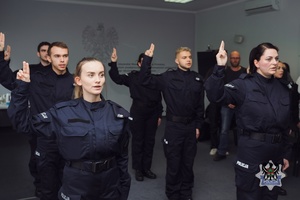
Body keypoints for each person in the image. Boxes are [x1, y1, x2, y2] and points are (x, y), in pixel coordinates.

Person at [8, 57, 131, 200]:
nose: (98, 80)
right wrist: (22, 88)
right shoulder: (63, 113)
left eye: (101, 74)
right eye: (91, 75)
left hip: (110, 183)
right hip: (77, 184)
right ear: (78, 80)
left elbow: (122, 156)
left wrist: (124, 187)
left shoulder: (117, 114)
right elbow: (22, 124)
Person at [205, 41, 292, 200]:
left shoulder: (282, 89)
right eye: (269, 59)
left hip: (273, 155)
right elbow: (215, 95)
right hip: (251, 153)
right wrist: (219, 68)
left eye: (276, 58)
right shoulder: (243, 85)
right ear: (256, 62)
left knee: (269, 194)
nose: (274, 62)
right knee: (250, 195)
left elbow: (285, 125)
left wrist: (285, 153)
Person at [0, 34, 74, 199]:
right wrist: (1, 58)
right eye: (57, 56)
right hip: (44, 139)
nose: (62, 60)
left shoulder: (74, 81)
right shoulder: (34, 76)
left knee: (68, 185)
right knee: (46, 186)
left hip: (68, 140)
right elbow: (7, 80)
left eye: (65, 56)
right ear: (49, 57)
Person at [139, 44, 205, 200]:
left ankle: (186, 194)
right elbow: (145, 80)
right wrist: (147, 59)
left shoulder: (197, 79)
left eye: (189, 57)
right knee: (174, 164)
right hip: (174, 127)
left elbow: (200, 106)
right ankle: (173, 194)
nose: (188, 60)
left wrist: (198, 125)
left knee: (188, 164)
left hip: (190, 127)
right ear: (177, 60)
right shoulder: (167, 78)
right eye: (184, 57)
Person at [108, 48, 163, 181]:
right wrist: (114, 63)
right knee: (138, 140)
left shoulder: (155, 79)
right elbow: (116, 78)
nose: (145, 64)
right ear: (139, 64)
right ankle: (138, 169)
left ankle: (146, 168)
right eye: (143, 62)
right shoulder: (132, 77)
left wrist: (159, 115)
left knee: (149, 141)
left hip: (153, 113)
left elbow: (158, 97)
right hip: (138, 112)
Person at [214, 50, 247, 161]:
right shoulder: (225, 71)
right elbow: (221, 88)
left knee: (242, 130)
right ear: (229, 58)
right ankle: (221, 151)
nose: (235, 60)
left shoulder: (244, 72)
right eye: (233, 58)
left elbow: (247, 89)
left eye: (237, 58)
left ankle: (242, 154)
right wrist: (227, 102)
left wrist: (238, 103)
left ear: (240, 59)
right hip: (226, 105)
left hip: (241, 106)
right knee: (224, 129)